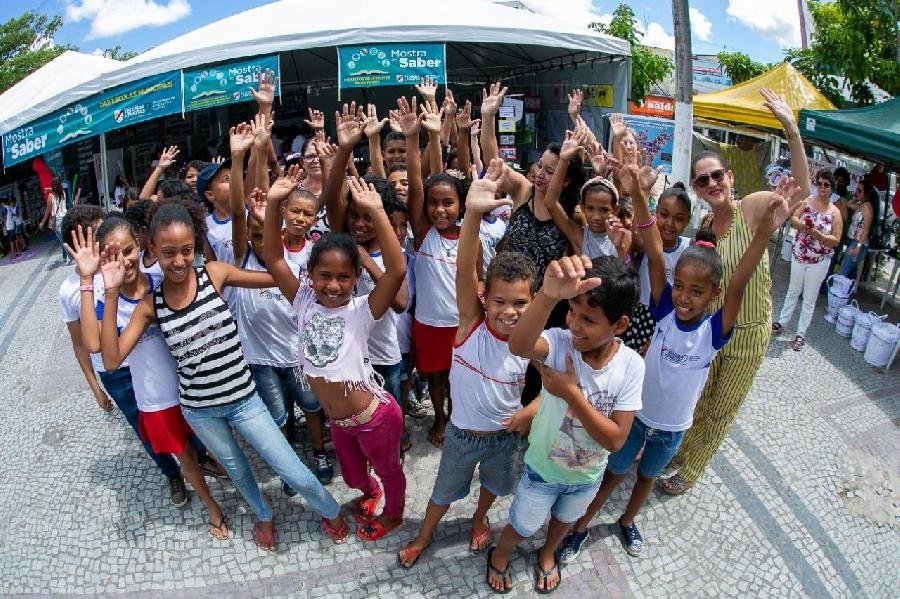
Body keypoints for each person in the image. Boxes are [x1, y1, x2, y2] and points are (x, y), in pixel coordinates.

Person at [558, 155, 793, 562]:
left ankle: (628, 522)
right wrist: (637, 193)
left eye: (697, 292)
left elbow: (738, 282)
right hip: (637, 417)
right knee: (612, 475)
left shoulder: (715, 331)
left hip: (672, 430)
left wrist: (764, 234)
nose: (684, 297)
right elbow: (654, 252)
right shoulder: (664, 308)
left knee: (646, 479)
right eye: (679, 286)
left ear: (713, 296)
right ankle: (580, 527)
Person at [95, 196, 347, 552]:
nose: (179, 261)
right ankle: (262, 515)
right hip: (200, 411)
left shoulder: (215, 274)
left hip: (245, 401)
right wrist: (108, 290)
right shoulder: (152, 306)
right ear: (151, 249)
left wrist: (272, 226)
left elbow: (277, 276)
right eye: (168, 253)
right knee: (239, 473)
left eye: (186, 250)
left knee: (290, 468)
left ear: (196, 246)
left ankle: (330, 510)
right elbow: (111, 359)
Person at [659, 88, 811, 495]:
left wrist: (791, 130)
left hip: (748, 331)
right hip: (713, 329)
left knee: (722, 407)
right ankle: (683, 450)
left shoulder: (754, 207)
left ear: (729, 177)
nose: (711, 183)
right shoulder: (707, 225)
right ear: (697, 188)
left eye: (716, 175)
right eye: (702, 179)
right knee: (700, 398)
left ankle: (692, 468)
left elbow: (802, 189)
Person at [397, 159, 534, 569]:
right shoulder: (470, 324)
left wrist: (531, 411)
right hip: (461, 436)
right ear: (483, 298)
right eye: (499, 301)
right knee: (442, 493)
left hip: (505, 437)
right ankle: (425, 534)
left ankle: (479, 517)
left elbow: (558, 383)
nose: (509, 311)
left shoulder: (533, 340)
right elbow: (464, 266)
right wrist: (472, 214)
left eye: (521, 303)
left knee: (493, 486)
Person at [485, 254, 643, 594]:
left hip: (587, 477)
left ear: (619, 325)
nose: (574, 324)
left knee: (564, 521)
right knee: (523, 524)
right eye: (571, 311)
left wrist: (571, 393)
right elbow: (519, 344)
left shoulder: (631, 366)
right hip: (542, 471)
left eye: (588, 319)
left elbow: (616, 440)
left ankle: (548, 553)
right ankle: (500, 553)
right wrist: (547, 295)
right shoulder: (559, 343)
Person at [264, 170, 407, 542]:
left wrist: (377, 212)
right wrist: (274, 204)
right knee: (355, 477)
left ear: (356, 277)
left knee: (389, 470)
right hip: (339, 422)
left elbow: (396, 271)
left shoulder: (362, 310)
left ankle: (394, 514)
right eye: (324, 275)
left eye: (344, 277)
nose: (333, 285)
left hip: (374, 418)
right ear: (309, 274)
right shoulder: (303, 300)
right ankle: (371, 493)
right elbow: (273, 258)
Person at [71, 218, 229, 540]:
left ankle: (245, 489)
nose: (124, 261)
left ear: (140, 245)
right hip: (157, 399)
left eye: (128, 250)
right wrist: (87, 279)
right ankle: (211, 506)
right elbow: (93, 344)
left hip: (195, 385)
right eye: (112, 256)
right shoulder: (108, 303)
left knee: (220, 446)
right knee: (185, 459)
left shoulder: (162, 279)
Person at [57, 205, 200, 507]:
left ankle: (199, 457)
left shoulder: (149, 277)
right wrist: (95, 387)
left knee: (181, 415)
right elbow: (85, 343)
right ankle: (172, 474)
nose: (117, 256)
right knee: (145, 427)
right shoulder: (75, 289)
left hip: (151, 363)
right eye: (98, 236)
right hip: (116, 371)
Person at [222, 118, 334, 487]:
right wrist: (240, 158)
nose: (258, 240)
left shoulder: (304, 253)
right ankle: (288, 466)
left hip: (300, 353)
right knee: (278, 414)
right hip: (261, 358)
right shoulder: (242, 256)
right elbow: (238, 213)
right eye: (253, 235)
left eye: (264, 234)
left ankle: (319, 451)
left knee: (312, 407)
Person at [401, 96, 466, 448]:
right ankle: (439, 418)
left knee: (458, 377)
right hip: (428, 322)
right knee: (436, 377)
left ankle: (456, 417)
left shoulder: (469, 235)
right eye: (434, 203)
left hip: (461, 322)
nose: (440, 210)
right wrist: (415, 139)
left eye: (448, 203)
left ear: (461, 205)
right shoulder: (424, 234)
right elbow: (415, 185)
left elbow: (477, 278)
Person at [773, 169, 842, 351]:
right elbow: (793, 218)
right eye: (819, 183)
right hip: (800, 254)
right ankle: (781, 322)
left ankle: (800, 334)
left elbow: (836, 239)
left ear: (832, 188)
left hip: (819, 260)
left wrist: (821, 236)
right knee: (793, 291)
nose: (822, 187)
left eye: (826, 184)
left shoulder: (835, 212)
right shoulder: (808, 201)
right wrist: (804, 226)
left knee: (809, 299)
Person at [544, 121, 630, 261]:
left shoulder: (624, 236)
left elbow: (623, 268)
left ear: (615, 210)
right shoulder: (579, 235)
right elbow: (550, 203)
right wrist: (564, 160)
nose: (596, 217)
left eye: (604, 210)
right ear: (582, 207)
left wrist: (620, 247)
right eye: (590, 208)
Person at [838, 181, 875, 278]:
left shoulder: (866, 207)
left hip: (858, 242)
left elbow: (866, 229)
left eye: (859, 190)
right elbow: (848, 204)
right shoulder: (860, 205)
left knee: (844, 270)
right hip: (853, 240)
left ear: (866, 193)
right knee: (849, 270)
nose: (856, 192)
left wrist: (858, 246)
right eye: (856, 189)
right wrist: (856, 196)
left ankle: (839, 287)